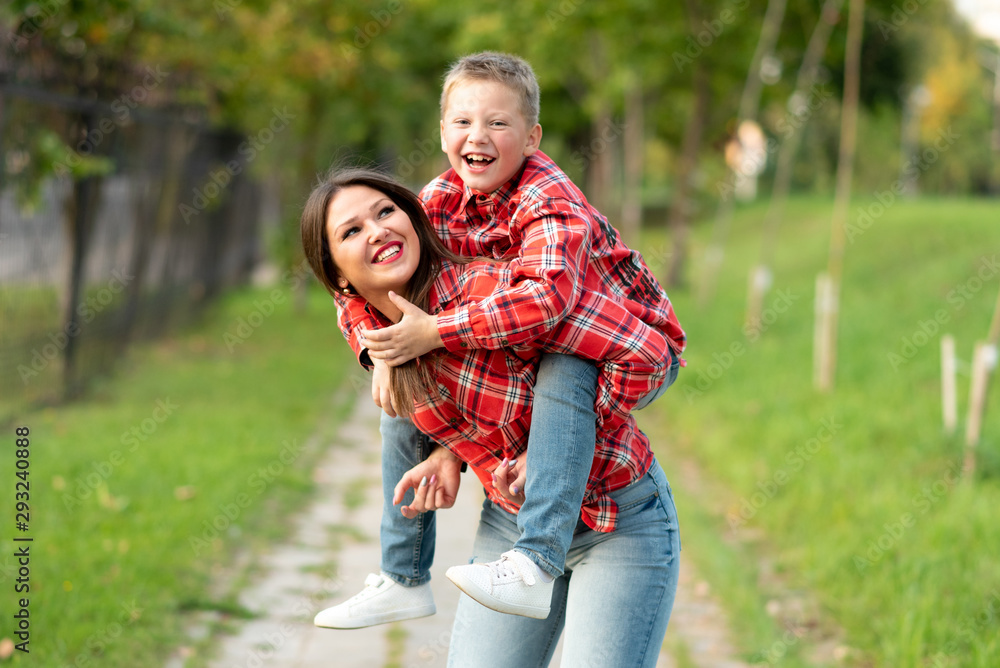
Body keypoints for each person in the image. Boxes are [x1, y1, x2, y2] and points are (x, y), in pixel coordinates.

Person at [314, 51, 685, 628]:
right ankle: (404, 575)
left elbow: (545, 303)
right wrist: (380, 348)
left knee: (564, 361)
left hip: (627, 338)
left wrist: (432, 330)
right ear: (442, 133)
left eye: (498, 123)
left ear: (533, 137)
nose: (477, 136)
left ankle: (537, 560)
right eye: (462, 122)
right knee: (402, 395)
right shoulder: (432, 204)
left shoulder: (549, 198)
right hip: (515, 484)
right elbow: (353, 281)